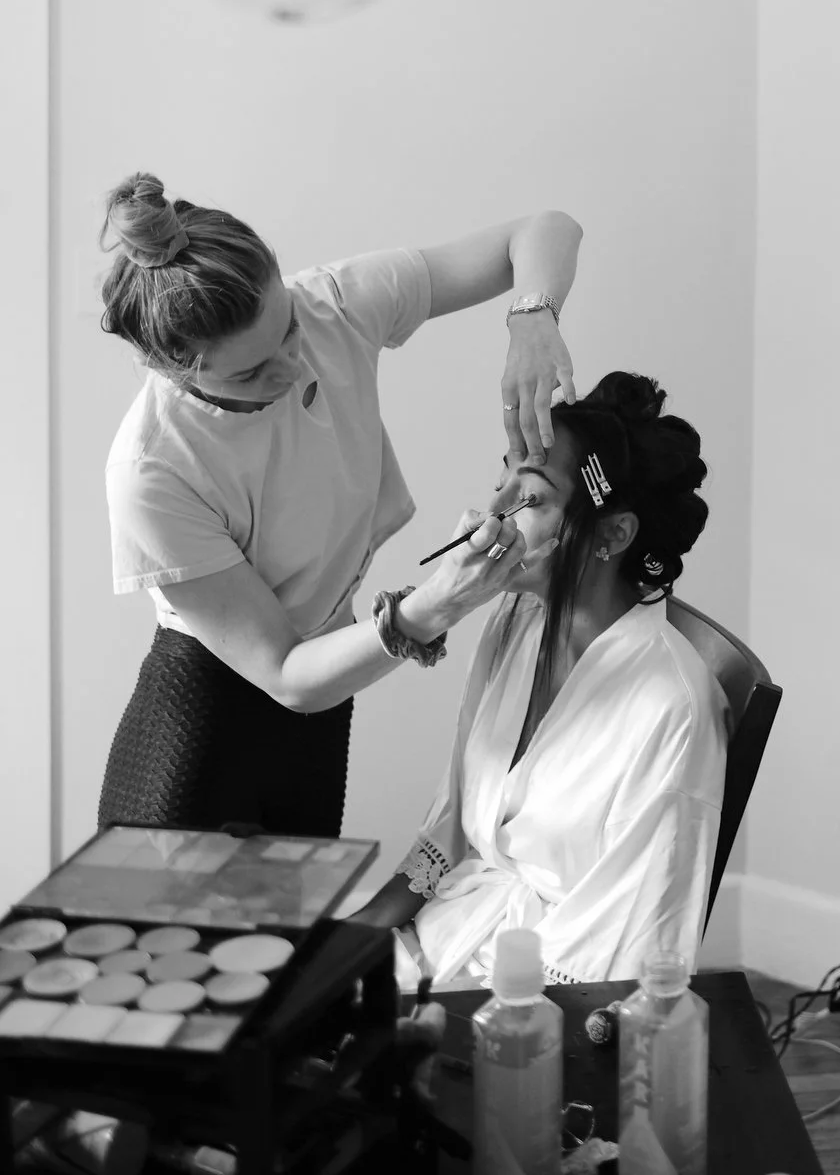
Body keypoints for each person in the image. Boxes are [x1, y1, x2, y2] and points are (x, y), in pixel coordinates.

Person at [98, 170, 582, 839]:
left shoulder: (334, 303)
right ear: (171, 369)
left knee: (303, 934)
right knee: (167, 939)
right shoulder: (153, 471)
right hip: (203, 723)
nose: (294, 365)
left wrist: (533, 319)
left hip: (325, 701)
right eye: (251, 372)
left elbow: (544, 229)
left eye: (288, 330)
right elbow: (288, 677)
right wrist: (436, 604)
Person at [356, 372, 726, 989]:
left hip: (528, 1006)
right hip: (440, 942)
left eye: (527, 499)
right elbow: (452, 822)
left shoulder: (671, 711)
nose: (490, 512)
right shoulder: (517, 619)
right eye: (501, 480)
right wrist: (362, 928)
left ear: (613, 533)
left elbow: (618, 956)